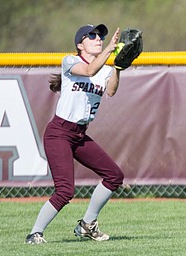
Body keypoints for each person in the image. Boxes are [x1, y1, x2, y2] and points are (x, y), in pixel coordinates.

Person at [25, 24, 124, 244]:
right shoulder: (70, 61)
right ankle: (35, 234)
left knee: (114, 176)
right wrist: (109, 50)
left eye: (100, 36)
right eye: (92, 36)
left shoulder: (105, 69)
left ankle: (87, 225)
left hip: (79, 134)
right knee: (65, 190)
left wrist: (118, 66)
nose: (98, 38)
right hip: (59, 133)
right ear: (80, 45)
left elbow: (111, 91)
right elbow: (89, 71)